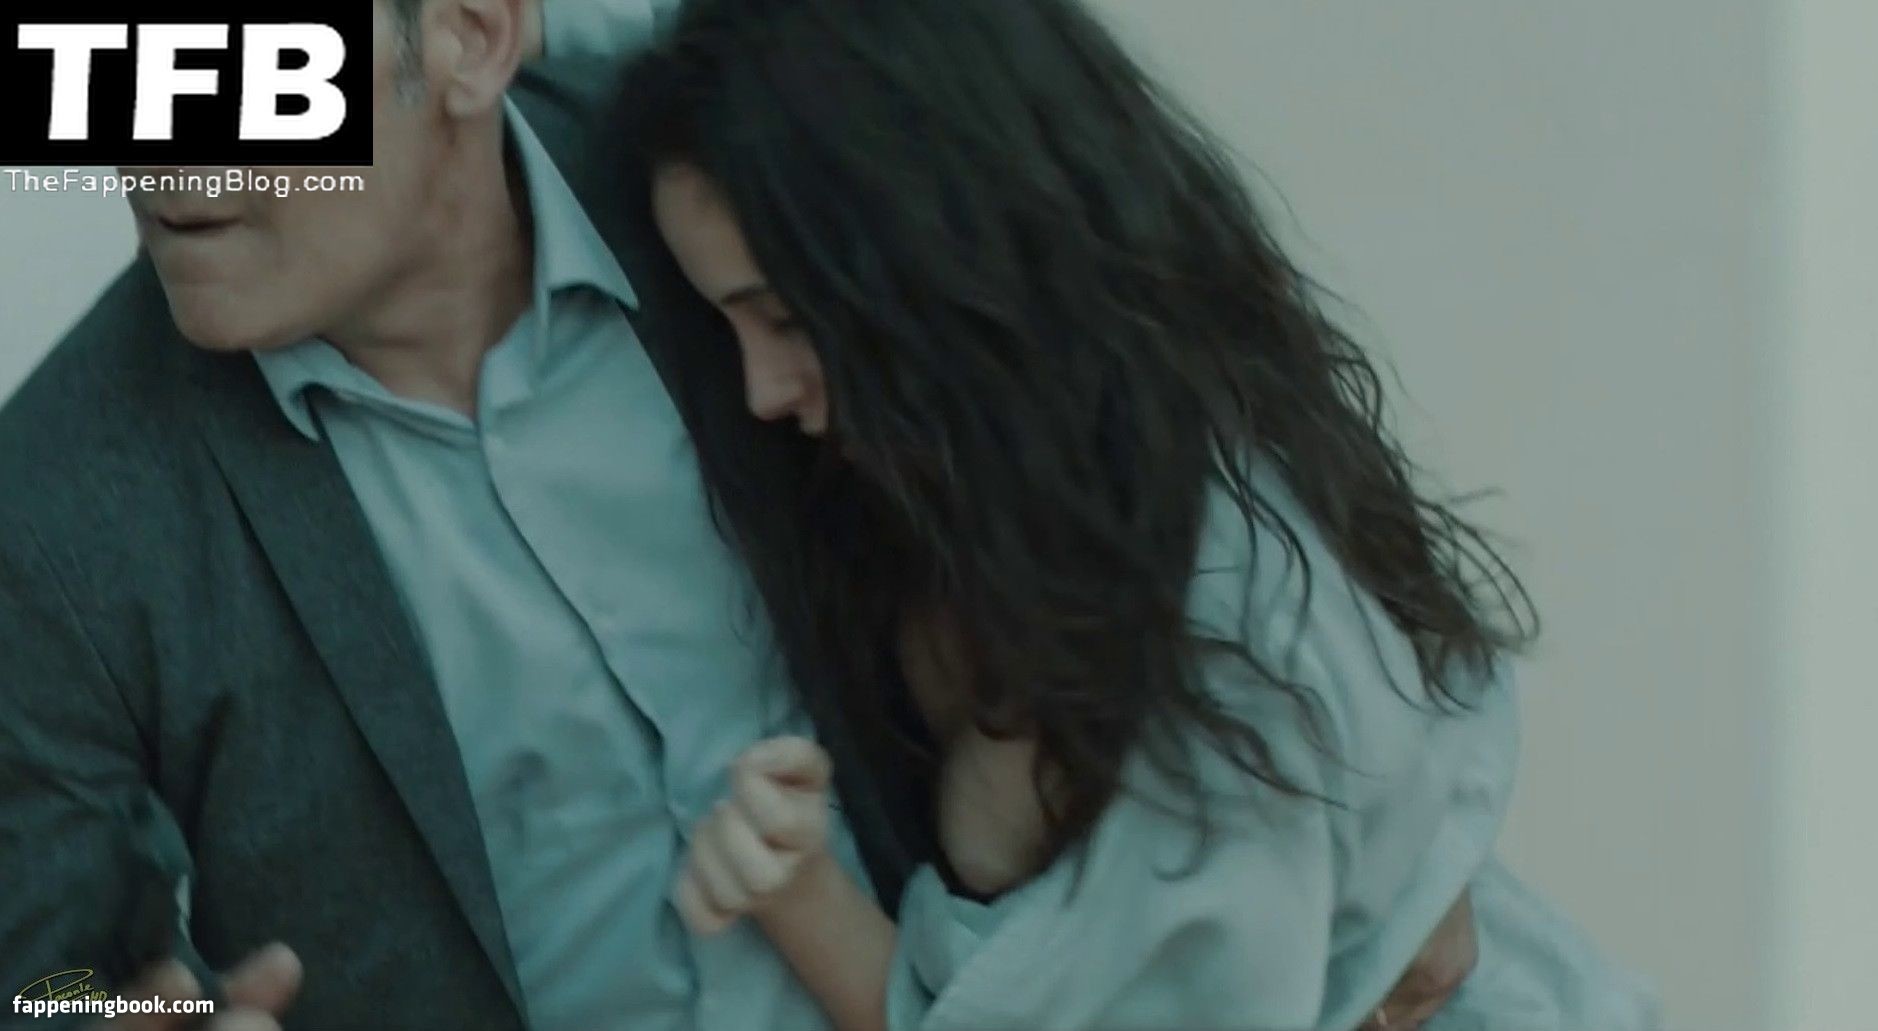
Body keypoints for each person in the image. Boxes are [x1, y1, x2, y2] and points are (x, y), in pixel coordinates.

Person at [0, 0, 1474, 1029]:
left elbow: (1111, 364)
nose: (162, 161)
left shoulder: (721, 165)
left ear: (469, 38)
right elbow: (32, 982)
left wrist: (1408, 838)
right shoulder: (54, 505)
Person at [617, 0, 1665, 1028]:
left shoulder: (1225, 615)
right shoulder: (1037, 513)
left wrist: (800, 898)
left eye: (785, 319)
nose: (761, 389)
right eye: (730, 328)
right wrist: (797, 886)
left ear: (936, 258)